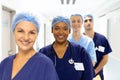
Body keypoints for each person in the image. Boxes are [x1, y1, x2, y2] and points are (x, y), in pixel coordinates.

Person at [0, 12, 59, 80]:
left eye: (31, 33)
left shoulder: (45, 64)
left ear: (36, 35)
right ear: (13, 32)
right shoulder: (4, 64)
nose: (26, 37)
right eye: (20, 31)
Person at [39, 16, 94, 80]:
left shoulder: (81, 52)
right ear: (52, 30)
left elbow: (88, 77)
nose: (61, 32)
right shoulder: (43, 53)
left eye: (65, 29)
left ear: (69, 31)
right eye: (57, 28)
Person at [83, 14, 112, 80]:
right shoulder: (79, 40)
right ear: (83, 24)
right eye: (86, 21)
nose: (88, 22)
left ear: (93, 23)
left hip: (97, 75)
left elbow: (105, 58)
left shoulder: (102, 39)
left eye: (90, 20)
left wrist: (95, 71)